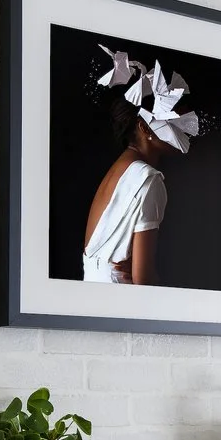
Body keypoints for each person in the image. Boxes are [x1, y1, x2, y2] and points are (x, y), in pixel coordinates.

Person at [84, 48, 199, 285]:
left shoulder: (121, 169)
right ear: (145, 128)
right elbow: (143, 279)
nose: (184, 128)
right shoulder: (148, 181)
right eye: (172, 118)